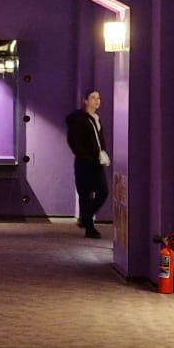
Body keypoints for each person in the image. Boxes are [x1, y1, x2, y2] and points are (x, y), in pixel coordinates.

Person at [66, 89, 110, 238]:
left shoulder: (96, 118)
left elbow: (99, 140)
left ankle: (85, 218)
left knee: (103, 192)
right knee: (85, 194)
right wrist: (85, 156)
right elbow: (74, 141)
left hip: (96, 162)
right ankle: (89, 227)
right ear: (85, 101)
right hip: (84, 163)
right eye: (93, 98)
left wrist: (102, 153)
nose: (97, 100)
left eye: (98, 98)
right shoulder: (80, 120)